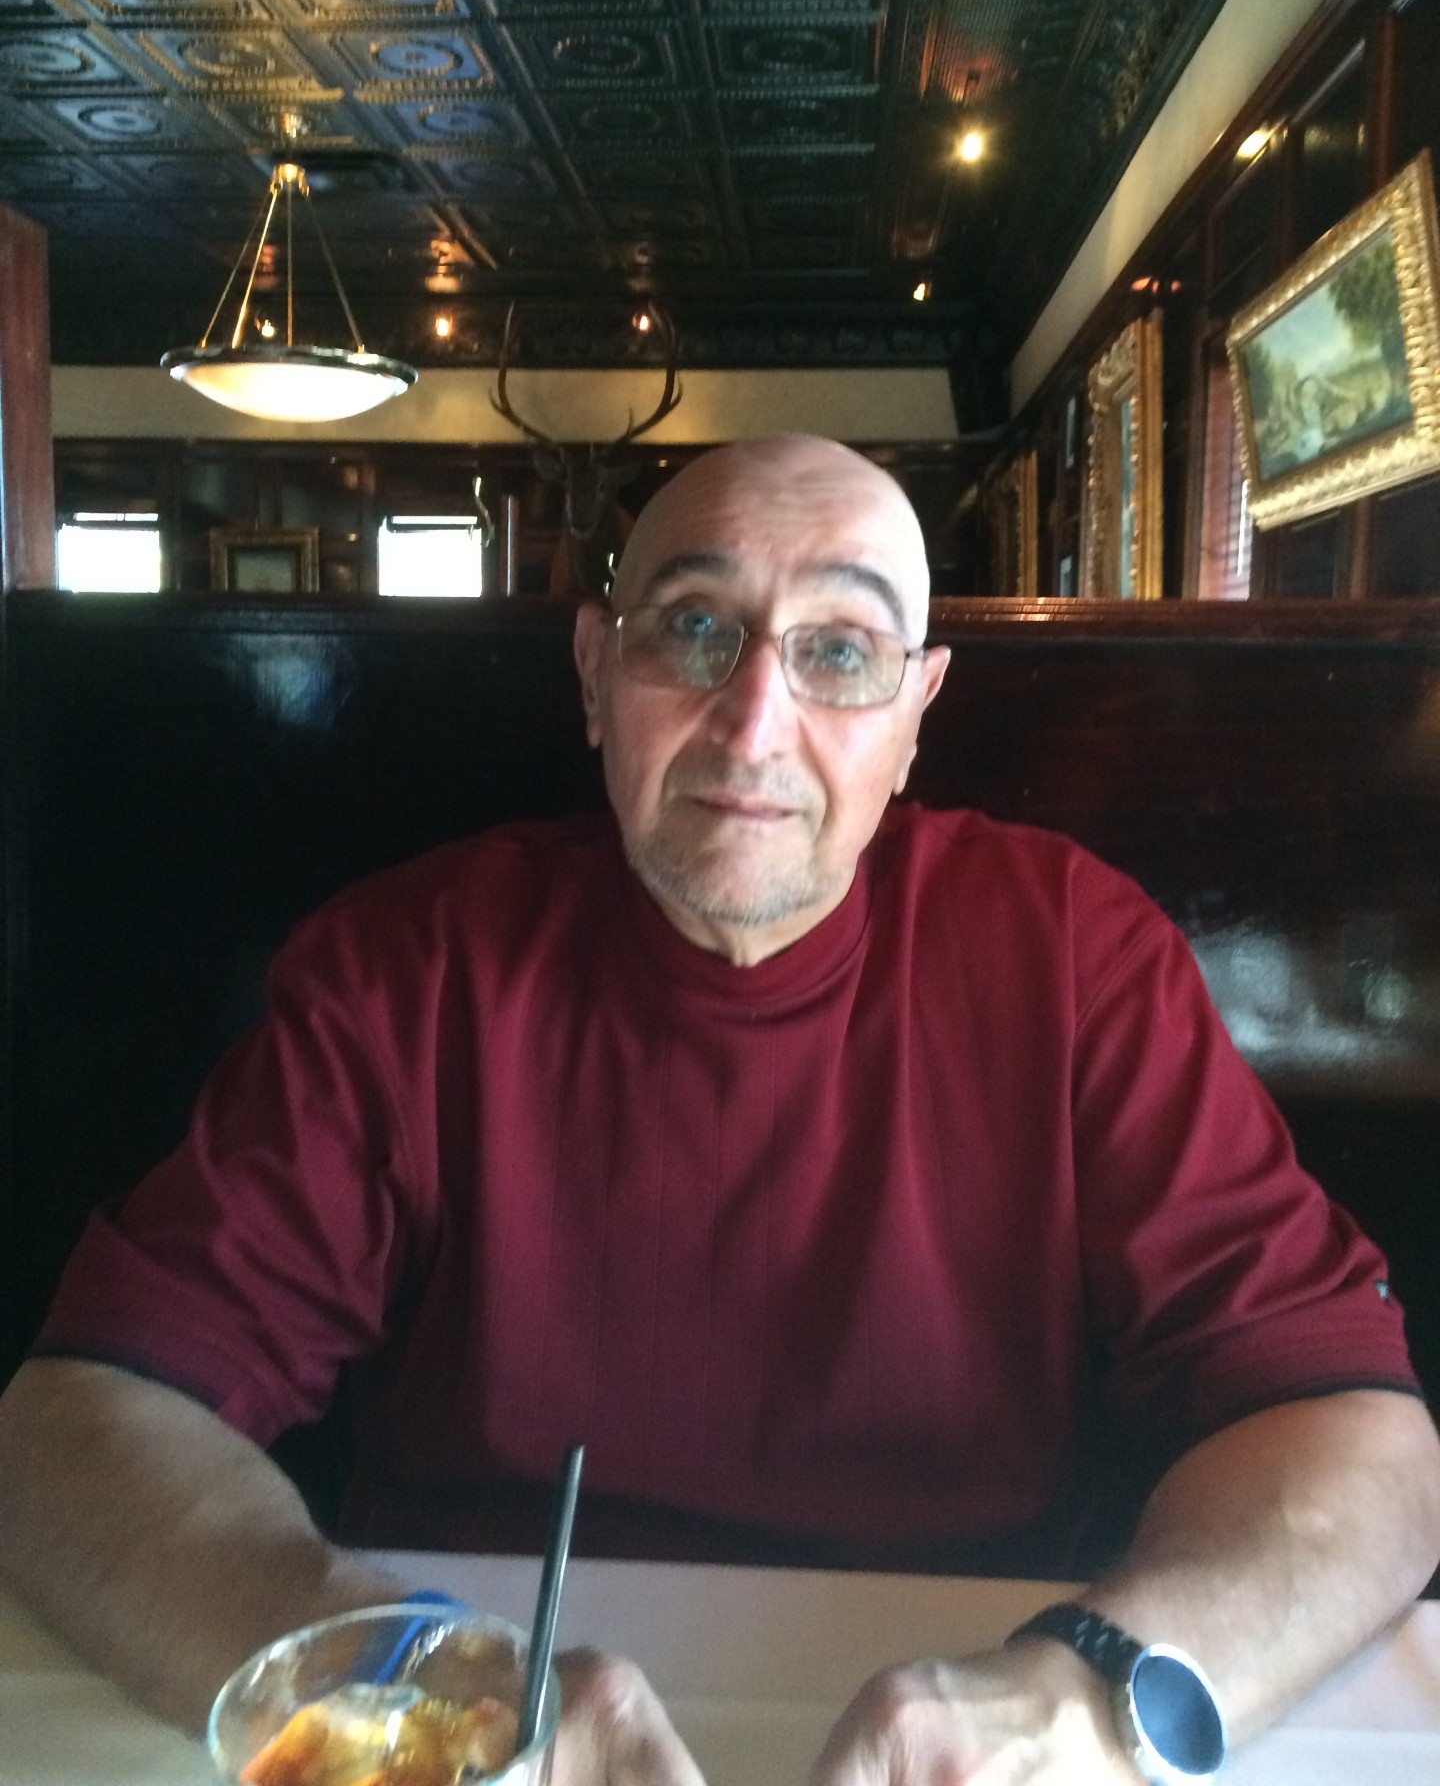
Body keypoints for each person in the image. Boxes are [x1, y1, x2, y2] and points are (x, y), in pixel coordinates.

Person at [0, 433, 1437, 1786]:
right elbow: (74, 1430)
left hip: (981, 1712)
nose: (755, 724)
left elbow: (1358, 1447)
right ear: (595, 673)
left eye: (839, 652)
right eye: (694, 628)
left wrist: (1090, 1696)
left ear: (914, 714)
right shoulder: (409, 967)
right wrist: (421, 1690)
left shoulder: (1073, 956)